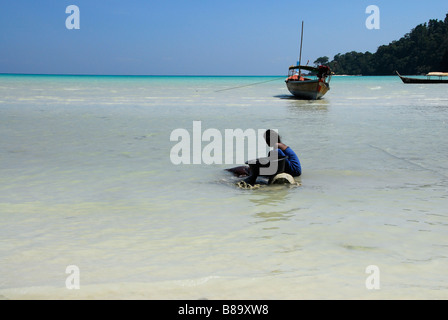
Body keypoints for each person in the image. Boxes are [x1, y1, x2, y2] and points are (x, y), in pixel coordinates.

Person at [226, 129, 301, 185]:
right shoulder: (280, 145)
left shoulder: (277, 146)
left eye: (266, 140)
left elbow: (277, 159)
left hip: (294, 169)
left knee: (274, 153)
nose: (266, 142)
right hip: (295, 169)